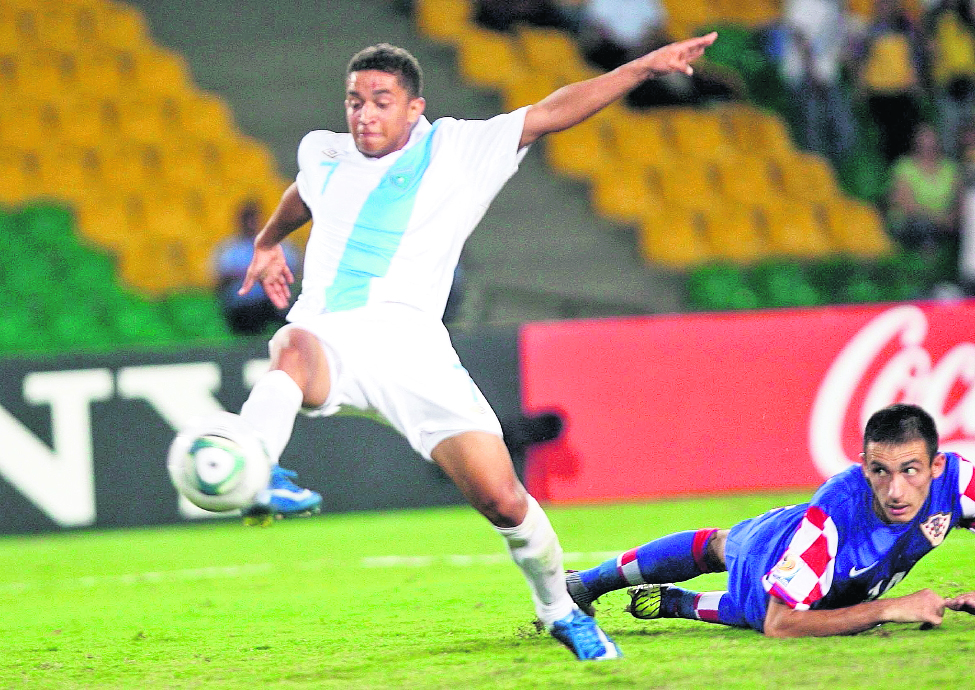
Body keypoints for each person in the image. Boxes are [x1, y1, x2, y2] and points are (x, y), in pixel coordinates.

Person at [223, 36, 717, 660]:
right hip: (332, 335)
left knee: (503, 500)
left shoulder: (459, 148)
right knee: (291, 345)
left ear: (414, 109)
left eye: (380, 101)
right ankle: (255, 465)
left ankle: (559, 608)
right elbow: (304, 191)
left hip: (414, 350)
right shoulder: (324, 150)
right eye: (354, 101)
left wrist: (644, 66)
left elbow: (555, 110)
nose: (363, 115)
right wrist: (268, 240)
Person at [566, 403, 975, 637]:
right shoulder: (830, 519)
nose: (896, 490)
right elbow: (781, 625)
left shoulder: (958, 480)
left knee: (724, 546)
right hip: (775, 552)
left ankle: (666, 599)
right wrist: (892, 608)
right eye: (881, 472)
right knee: (743, 583)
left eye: (910, 471)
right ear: (864, 466)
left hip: (812, 549)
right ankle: (597, 585)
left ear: (937, 465)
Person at [213, 200, 301, 336]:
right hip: (244, 306)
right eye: (247, 220)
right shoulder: (230, 249)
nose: (250, 224)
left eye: (253, 219)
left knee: (292, 313)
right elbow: (221, 278)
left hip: (274, 302)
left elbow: (293, 268)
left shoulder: (277, 244)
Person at [887, 122, 961, 266]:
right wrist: (939, 219)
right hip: (912, 220)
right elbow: (906, 205)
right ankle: (928, 270)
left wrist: (954, 215)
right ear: (915, 143)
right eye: (924, 140)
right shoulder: (904, 167)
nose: (928, 145)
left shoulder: (950, 168)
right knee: (924, 227)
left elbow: (960, 199)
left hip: (946, 220)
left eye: (932, 140)